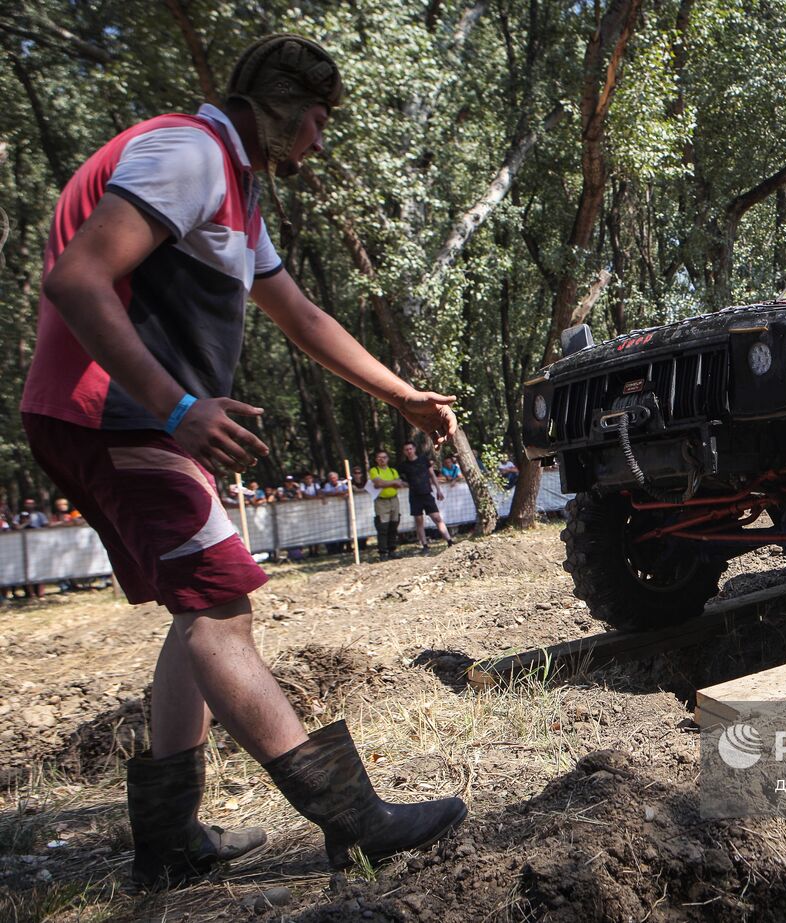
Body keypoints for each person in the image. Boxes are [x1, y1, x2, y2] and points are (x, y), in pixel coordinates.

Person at [19, 35, 464, 889]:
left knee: (197, 610)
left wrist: (401, 395)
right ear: (285, 110)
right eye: (319, 122)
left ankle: (169, 840)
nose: (321, 143)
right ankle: (352, 817)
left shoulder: (235, 182)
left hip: (133, 417)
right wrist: (176, 406)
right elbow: (77, 279)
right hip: (112, 415)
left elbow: (300, 316)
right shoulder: (190, 154)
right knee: (220, 606)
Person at [400, 441, 453, 555]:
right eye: (406, 450)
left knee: (437, 518)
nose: (409, 451)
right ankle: (424, 545)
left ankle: (449, 541)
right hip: (414, 496)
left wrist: (438, 490)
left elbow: (432, 475)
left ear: (414, 449)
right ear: (404, 452)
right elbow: (401, 480)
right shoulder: (404, 466)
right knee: (419, 521)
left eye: (410, 449)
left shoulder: (423, 460)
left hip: (427, 494)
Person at [368, 449, 406, 560]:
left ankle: (392, 550)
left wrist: (386, 484)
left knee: (394, 525)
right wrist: (393, 483)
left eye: (384, 457)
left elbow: (399, 484)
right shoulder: (374, 471)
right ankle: (383, 552)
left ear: (388, 459)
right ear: (376, 460)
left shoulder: (393, 471)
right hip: (381, 501)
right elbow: (378, 483)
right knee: (382, 527)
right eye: (379, 457)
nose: (382, 459)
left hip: (394, 499)